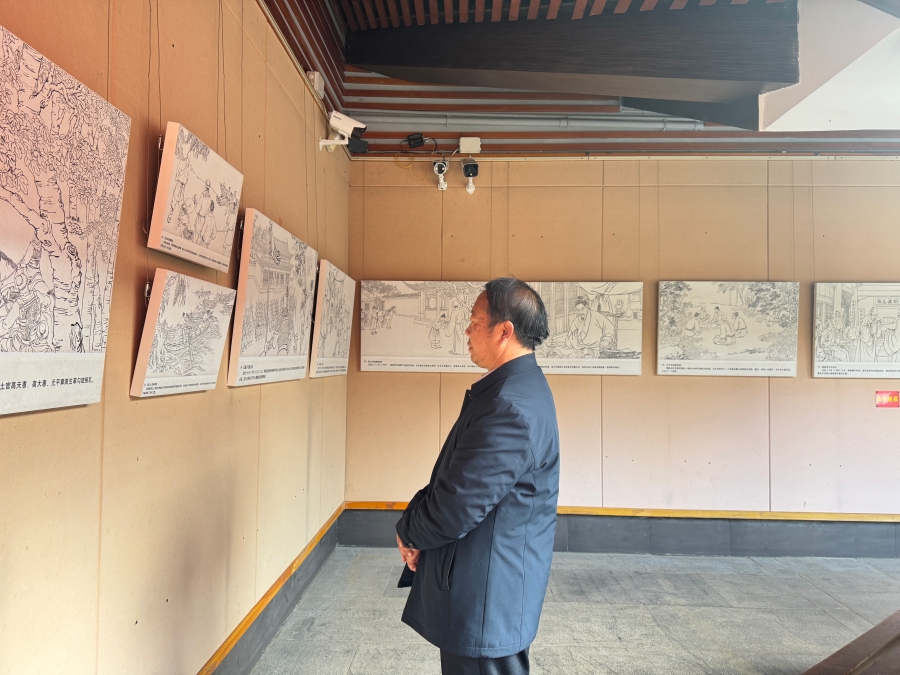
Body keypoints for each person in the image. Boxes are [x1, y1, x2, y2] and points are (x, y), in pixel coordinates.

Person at [396, 278, 559, 675]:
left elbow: (455, 507)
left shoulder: (509, 406)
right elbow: (459, 481)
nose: (467, 331)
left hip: (487, 597)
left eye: (475, 321)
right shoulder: (517, 388)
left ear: (505, 331)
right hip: (492, 584)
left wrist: (409, 532)